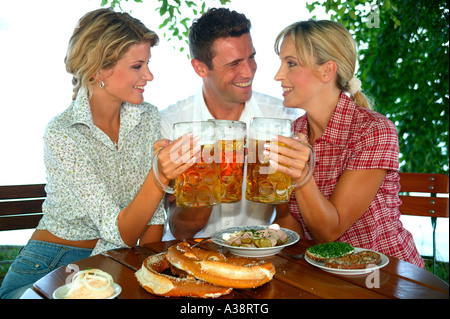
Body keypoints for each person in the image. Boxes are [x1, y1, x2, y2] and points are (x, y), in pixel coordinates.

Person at [0, 8, 198, 299]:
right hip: (50, 266)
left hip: (113, 259)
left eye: (148, 64)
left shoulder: (148, 117)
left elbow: (154, 216)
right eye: (137, 66)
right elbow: (120, 234)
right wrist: (159, 176)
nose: (149, 75)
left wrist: (146, 271)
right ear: (99, 70)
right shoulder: (62, 133)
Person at [267, 20, 424, 267]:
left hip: (383, 275)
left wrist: (301, 177)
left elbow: (330, 232)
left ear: (327, 71)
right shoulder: (293, 131)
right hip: (323, 273)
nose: (278, 75)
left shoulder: (373, 130)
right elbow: (290, 221)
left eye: (291, 64)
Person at [157, 8, 298, 241]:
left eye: (251, 57)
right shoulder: (170, 124)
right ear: (200, 68)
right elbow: (180, 230)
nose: (248, 71)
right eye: (234, 64)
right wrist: (211, 174)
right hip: (193, 256)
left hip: (256, 257)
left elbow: (290, 219)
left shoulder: (282, 118)